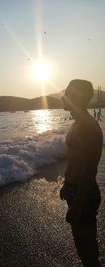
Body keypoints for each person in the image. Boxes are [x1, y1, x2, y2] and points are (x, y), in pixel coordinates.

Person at [60, 79, 103, 267]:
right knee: (80, 245)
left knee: (87, 250)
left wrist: (76, 205)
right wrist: (65, 185)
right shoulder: (77, 123)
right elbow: (74, 160)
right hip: (74, 189)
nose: (63, 96)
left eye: (67, 92)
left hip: (83, 194)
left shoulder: (86, 127)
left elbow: (89, 171)